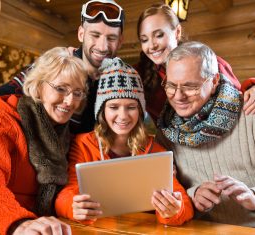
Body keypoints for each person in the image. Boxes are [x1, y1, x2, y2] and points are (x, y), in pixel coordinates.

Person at [54, 57, 194, 226]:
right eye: (113, 107)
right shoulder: (83, 144)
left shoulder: (156, 151)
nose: (123, 116)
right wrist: (72, 207)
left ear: (140, 110)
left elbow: (183, 203)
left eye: (131, 107)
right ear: (102, 111)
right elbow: (65, 195)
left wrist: (174, 210)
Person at [157, 41, 255, 230]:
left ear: (213, 81)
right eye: (171, 85)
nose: (178, 96)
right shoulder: (166, 132)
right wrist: (192, 195)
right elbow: (167, 194)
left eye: (190, 86)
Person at [0, 47, 88, 235]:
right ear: (38, 87)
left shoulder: (66, 136)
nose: (70, 101)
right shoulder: (2, 120)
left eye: (77, 93)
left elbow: (66, 191)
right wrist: (19, 223)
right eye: (61, 89)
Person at [0, 0, 124, 133]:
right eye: (95, 35)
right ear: (81, 34)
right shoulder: (58, 62)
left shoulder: (116, 83)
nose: (102, 46)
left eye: (111, 38)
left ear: (120, 42)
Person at [136, 3, 255, 123]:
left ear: (177, 32)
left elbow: (237, 99)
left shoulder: (209, 63)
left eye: (159, 35)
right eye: (144, 39)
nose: (152, 46)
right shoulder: (141, 76)